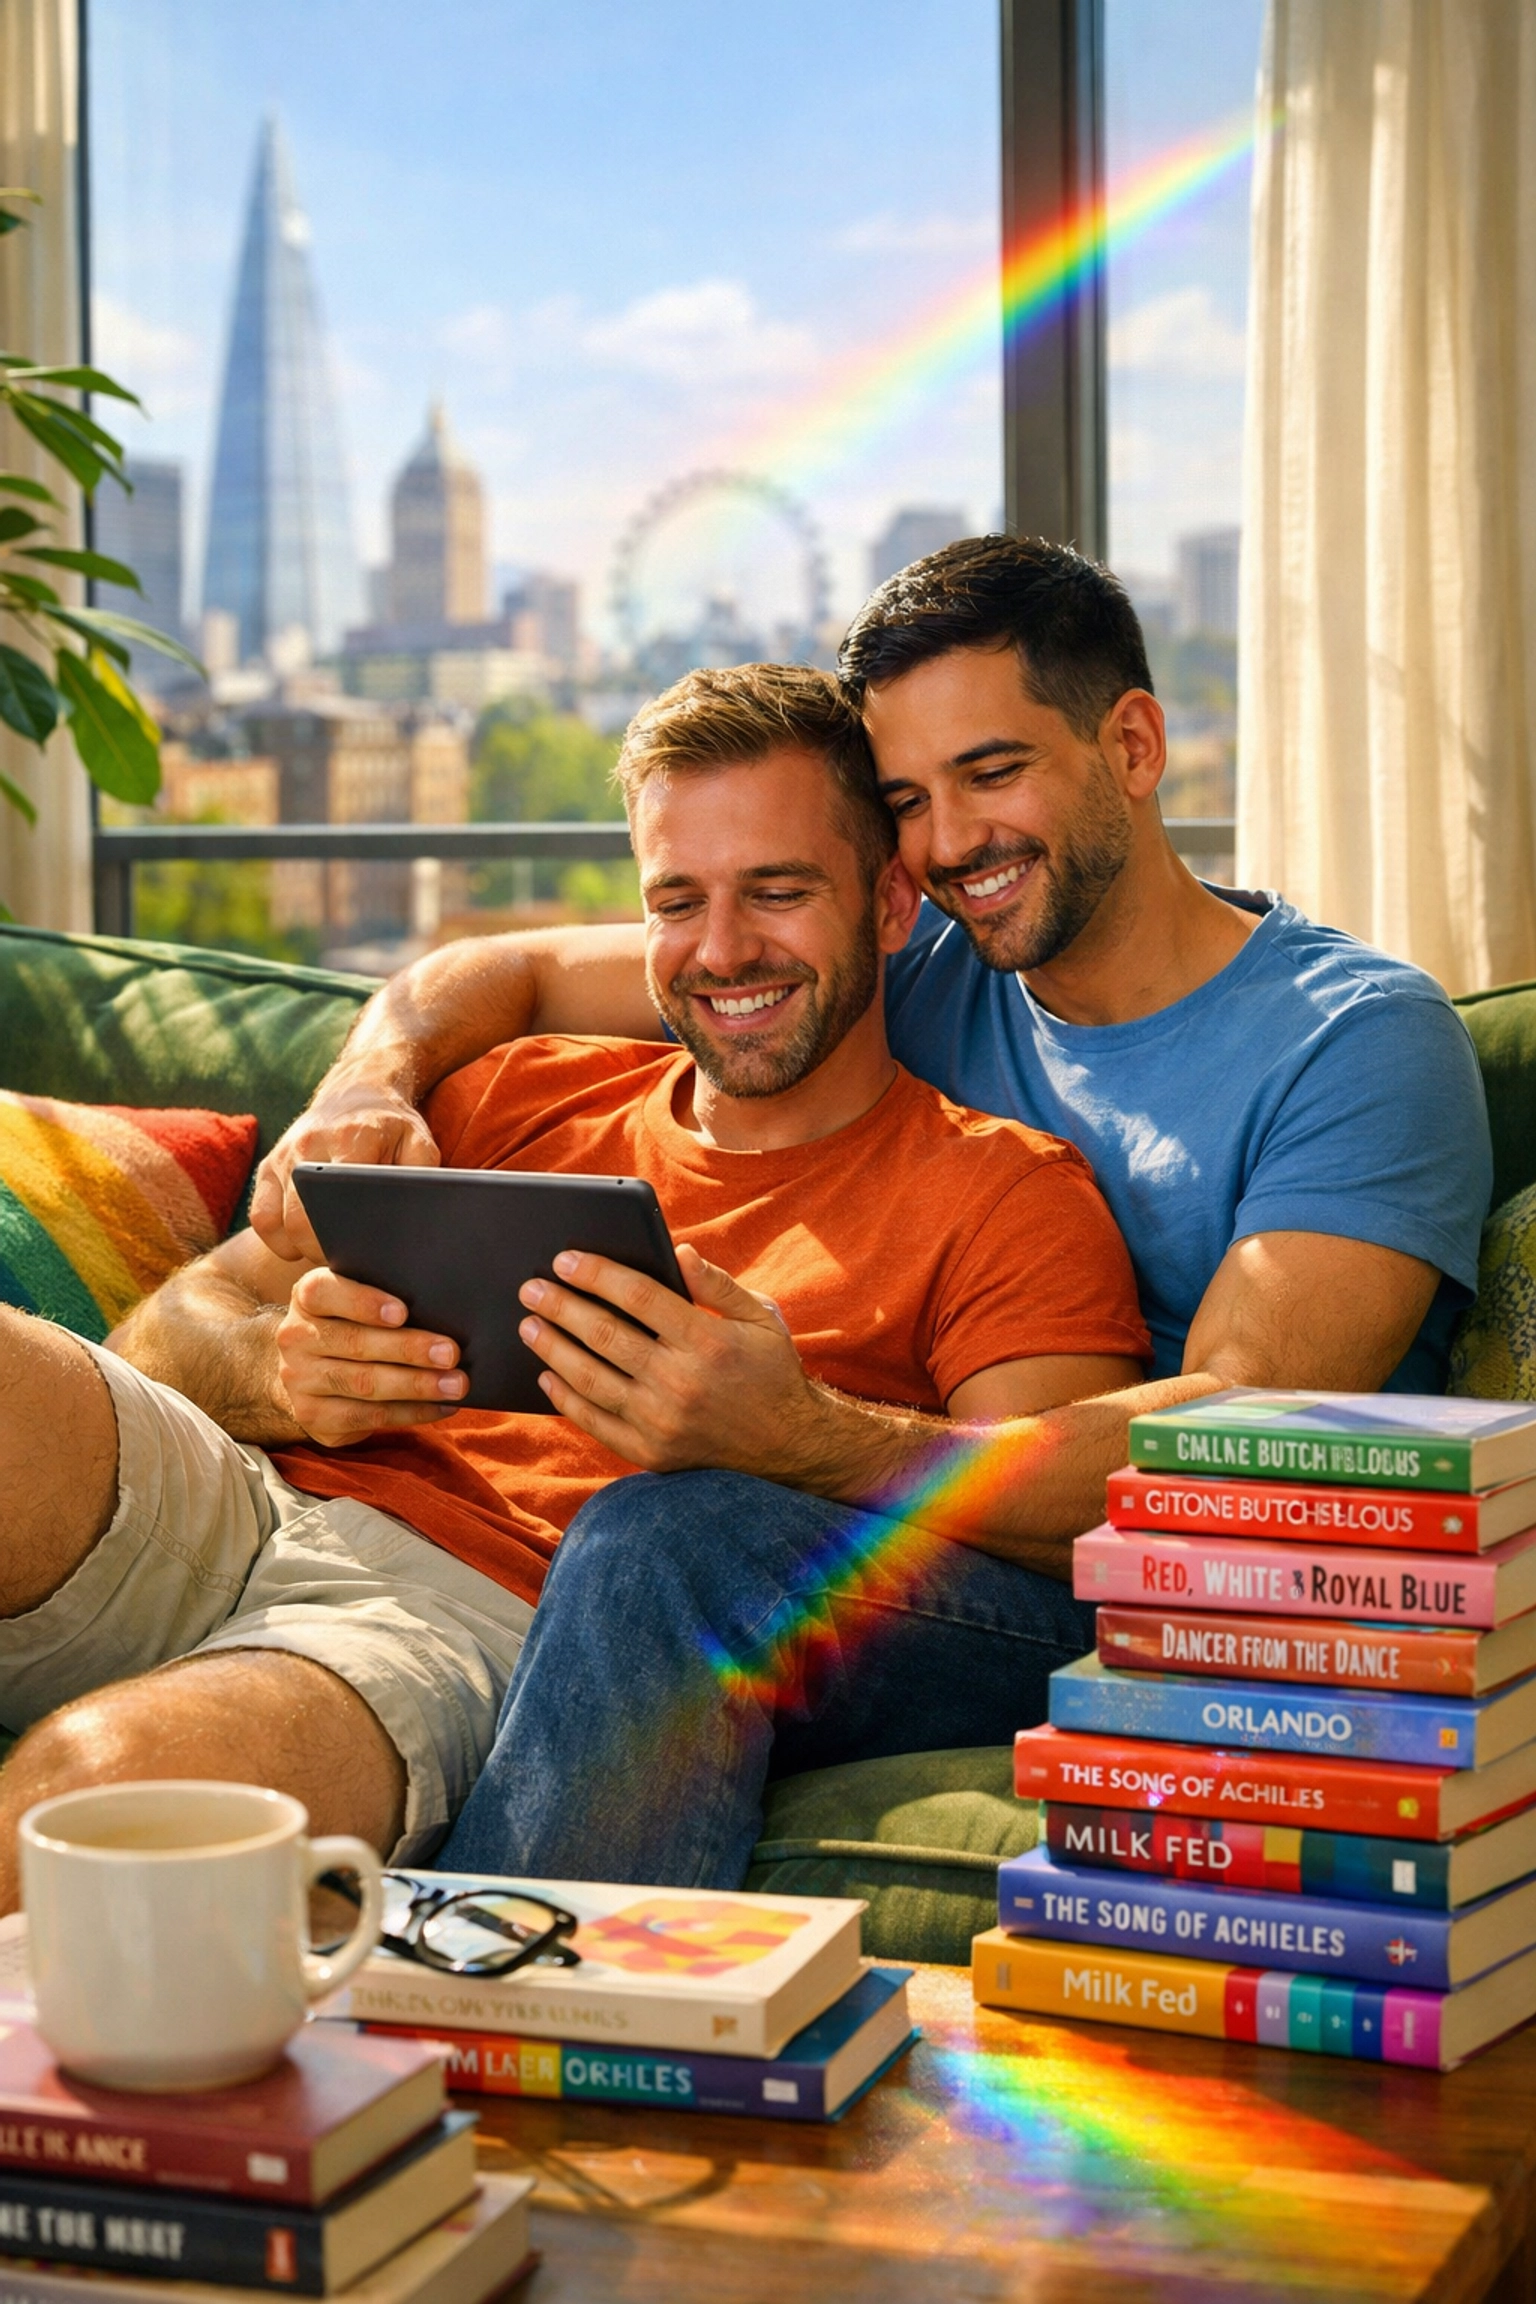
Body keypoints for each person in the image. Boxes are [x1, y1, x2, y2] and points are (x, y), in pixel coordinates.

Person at [0, 666, 1152, 1903]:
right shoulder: (516, 1089)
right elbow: (162, 1337)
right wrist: (282, 1377)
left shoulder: (1000, 1190)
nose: (721, 951)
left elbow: (1049, 1554)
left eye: (776, 892)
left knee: (85, 1795)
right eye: (678, 900)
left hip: (468, 1612)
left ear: (886, 903)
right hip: (242, 1493)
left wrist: (794, 1436)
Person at [251, 537, 1493, 1564]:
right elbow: (507, 973)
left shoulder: (1361, 1043)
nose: (947, 844)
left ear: (1132, 746)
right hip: (898, 1513)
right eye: (904, 800)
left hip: (1145, 1578)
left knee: (669, 1534)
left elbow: (1231, 1428)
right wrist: (367, 1081)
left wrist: (803, 1435)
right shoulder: (914, 950)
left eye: (991, 773)